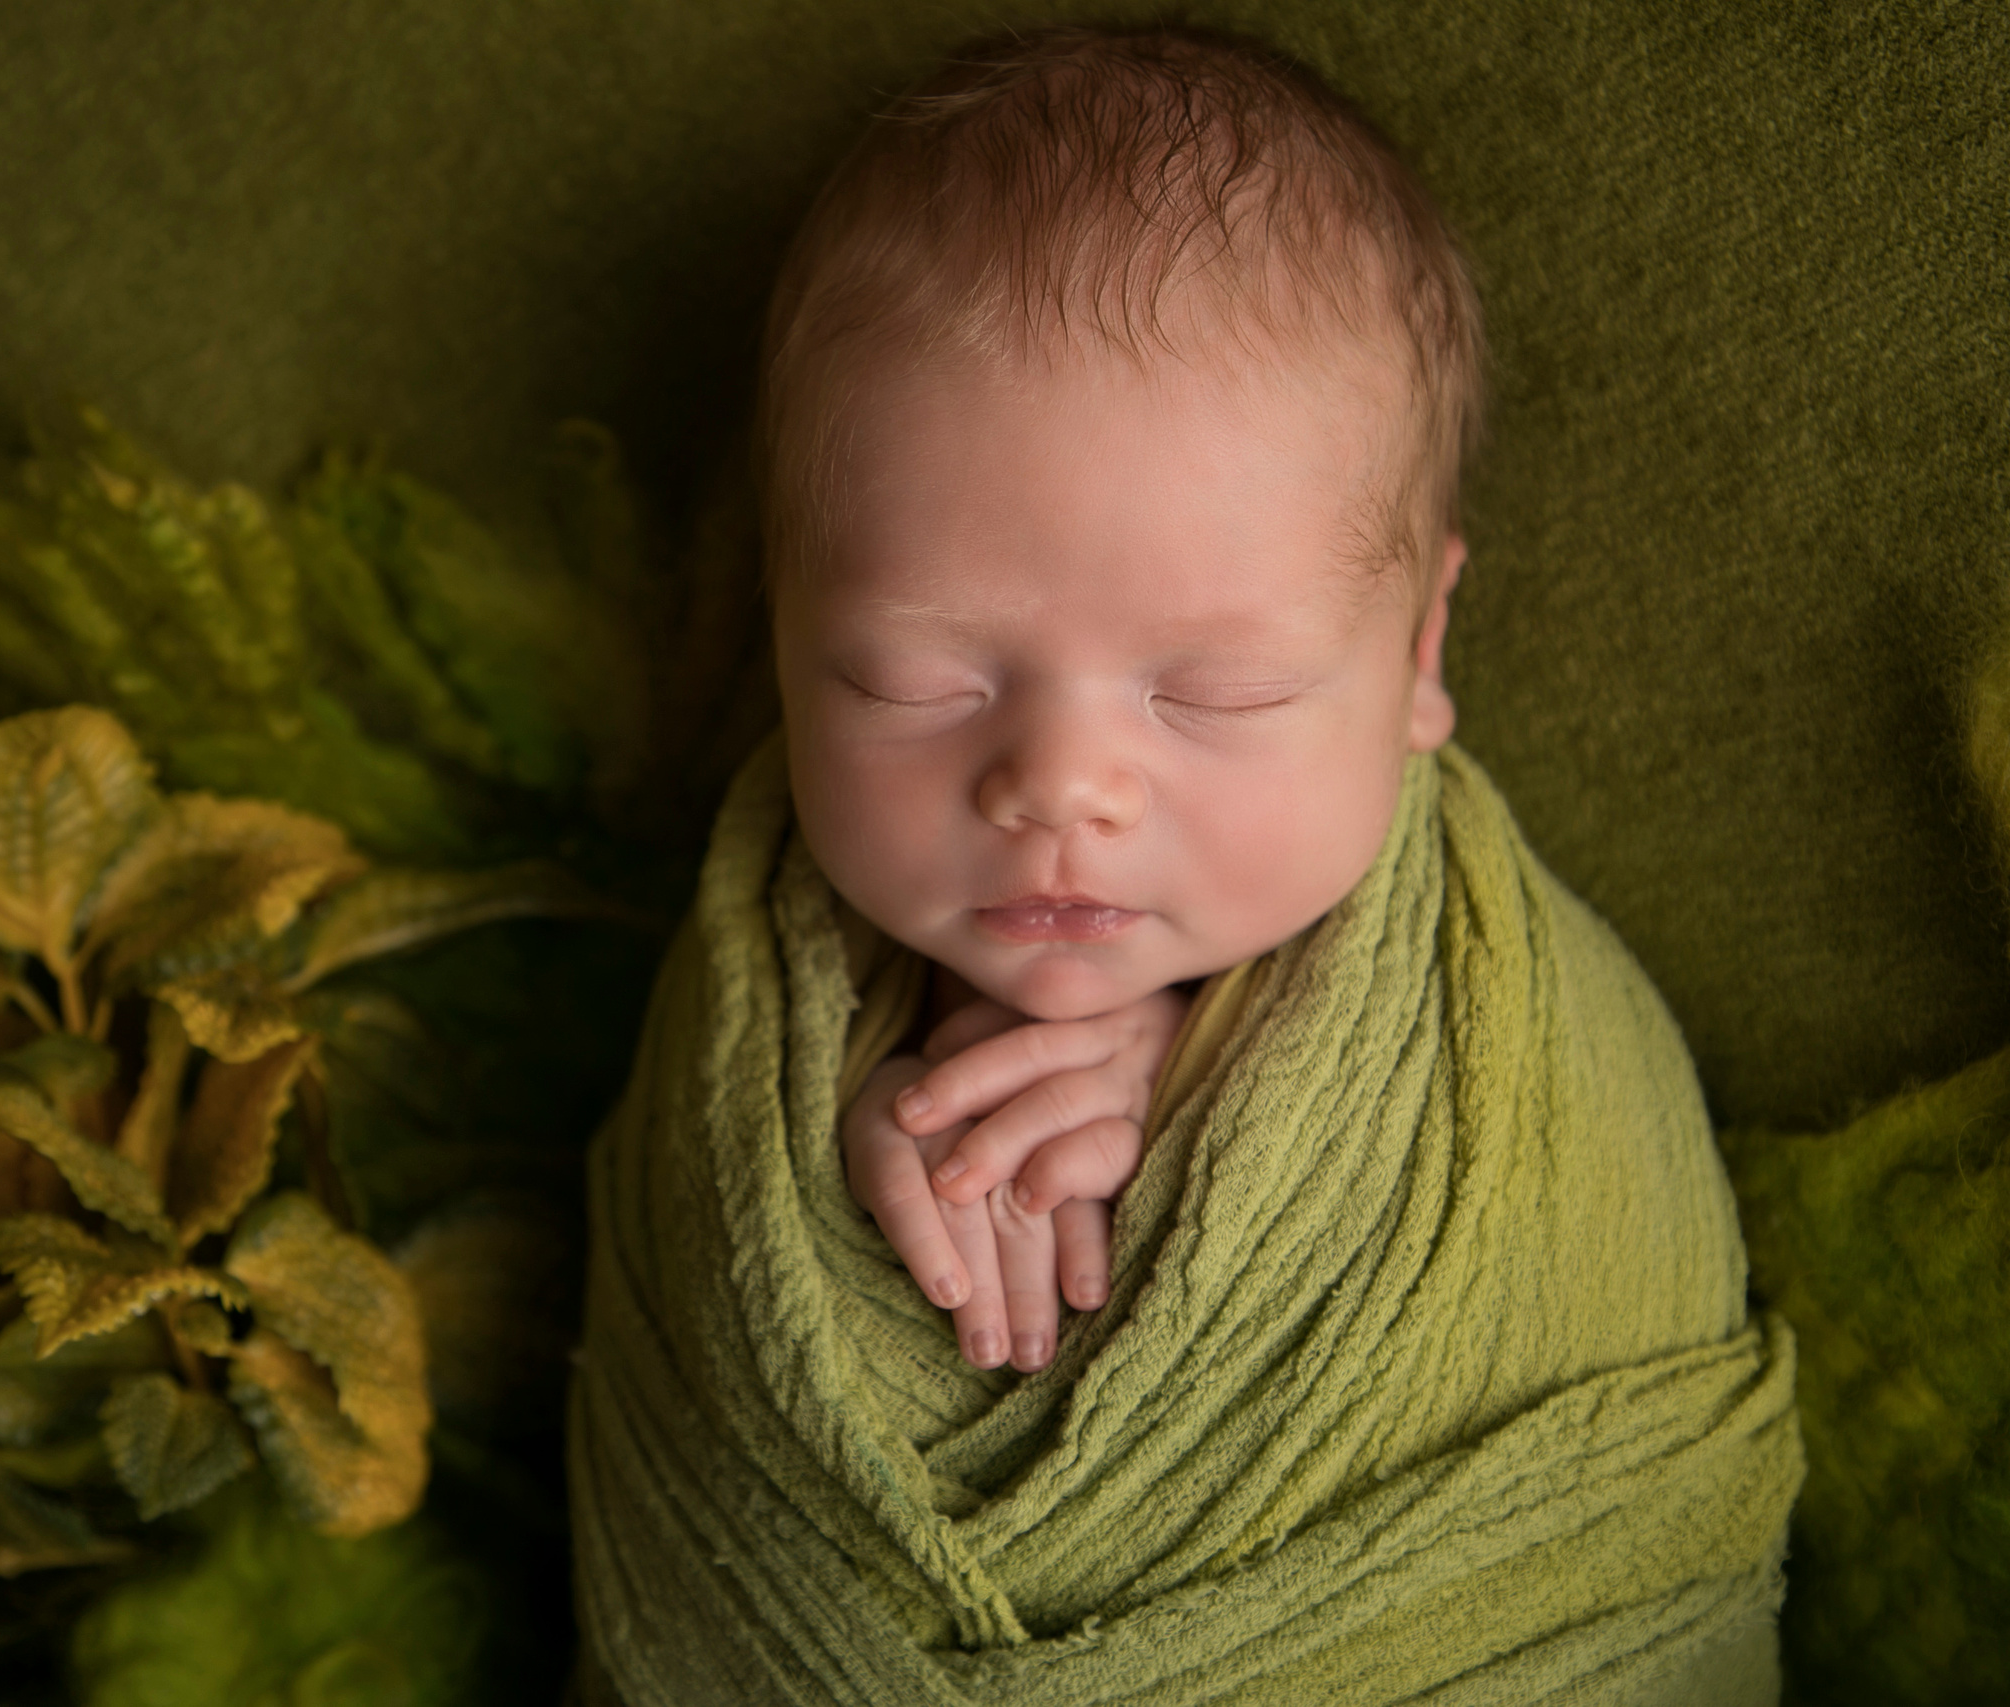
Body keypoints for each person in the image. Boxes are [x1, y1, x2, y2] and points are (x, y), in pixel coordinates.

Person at [568, 25, 1801, 1705]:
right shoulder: (762, 957)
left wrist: (1206, 1080)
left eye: (1218, 693)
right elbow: (724, 1292)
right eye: (913, 681)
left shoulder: (1487, 1044)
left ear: (1421, 648)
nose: (1061, 785)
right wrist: (892, 1153)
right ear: (781, 632)